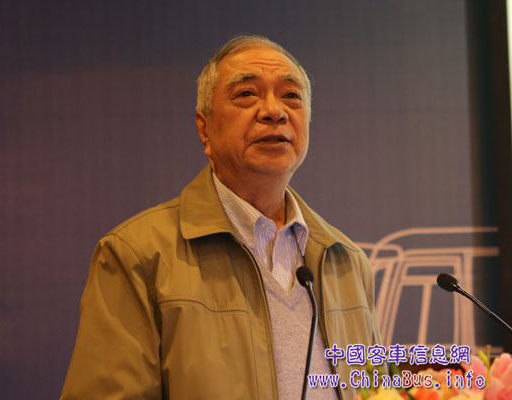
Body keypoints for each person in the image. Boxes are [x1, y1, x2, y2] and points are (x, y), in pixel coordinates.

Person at [61, 35, 381, 400]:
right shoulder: (137, 255)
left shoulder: (346, 262)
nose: (274, 111)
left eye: (291, 96)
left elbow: (375, 391)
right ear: (204, 128)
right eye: (247, 94)